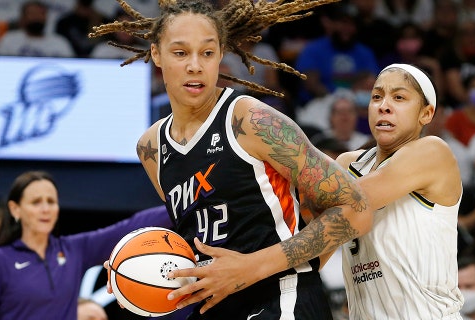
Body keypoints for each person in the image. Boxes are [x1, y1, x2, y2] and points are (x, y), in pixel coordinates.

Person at [89, 0, 371, 319]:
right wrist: (140, 266)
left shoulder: (252, 120)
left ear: (221, 55)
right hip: (216, 304)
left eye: (207, 53)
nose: (195, 65)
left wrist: (251, 267)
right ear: (156, 53)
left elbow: (356, 209)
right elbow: (199, 240)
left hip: (282, 295)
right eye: (180, 53)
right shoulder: (151, 147)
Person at [168, 63, 464, 319]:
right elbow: (316, 251)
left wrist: (250, 264)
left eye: (399, 97)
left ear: (426, 114)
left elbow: (351, 203)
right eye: (376, 96)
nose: (383, 105)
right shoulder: (348, 163)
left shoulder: (432, 152)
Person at [0, 171, 174, 319]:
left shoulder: (73, 249)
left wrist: (181, 207)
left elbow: (128, 227)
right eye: (36, 202)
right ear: (15, 209)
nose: (46, 209)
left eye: (51, 201)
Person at [0, 1, 74, 57]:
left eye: (41, 14)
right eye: (32, 14)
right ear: (23, 18)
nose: (37, 17)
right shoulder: (9, 40)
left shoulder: (59, 42)